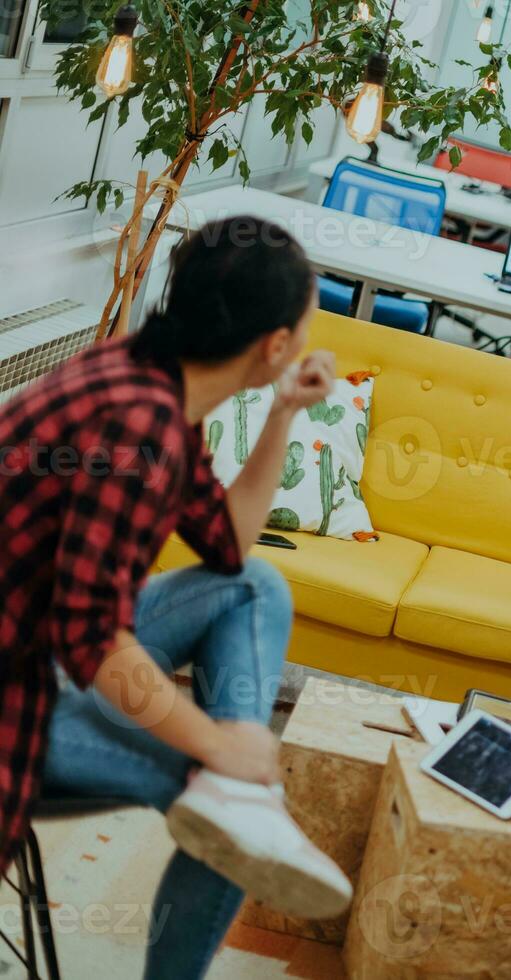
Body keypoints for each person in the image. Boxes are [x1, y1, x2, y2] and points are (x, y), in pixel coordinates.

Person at [1, 216, 352, 979]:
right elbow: (91, 639)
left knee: (252, 586)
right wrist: (221, 747)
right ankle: (237, 797)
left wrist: (285, 411)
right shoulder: (144, 426)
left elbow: (228, 546)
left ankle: (234, 789)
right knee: (225, 805)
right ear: (275, 344)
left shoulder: (144, 375)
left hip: (37, 660)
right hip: (14, 705)